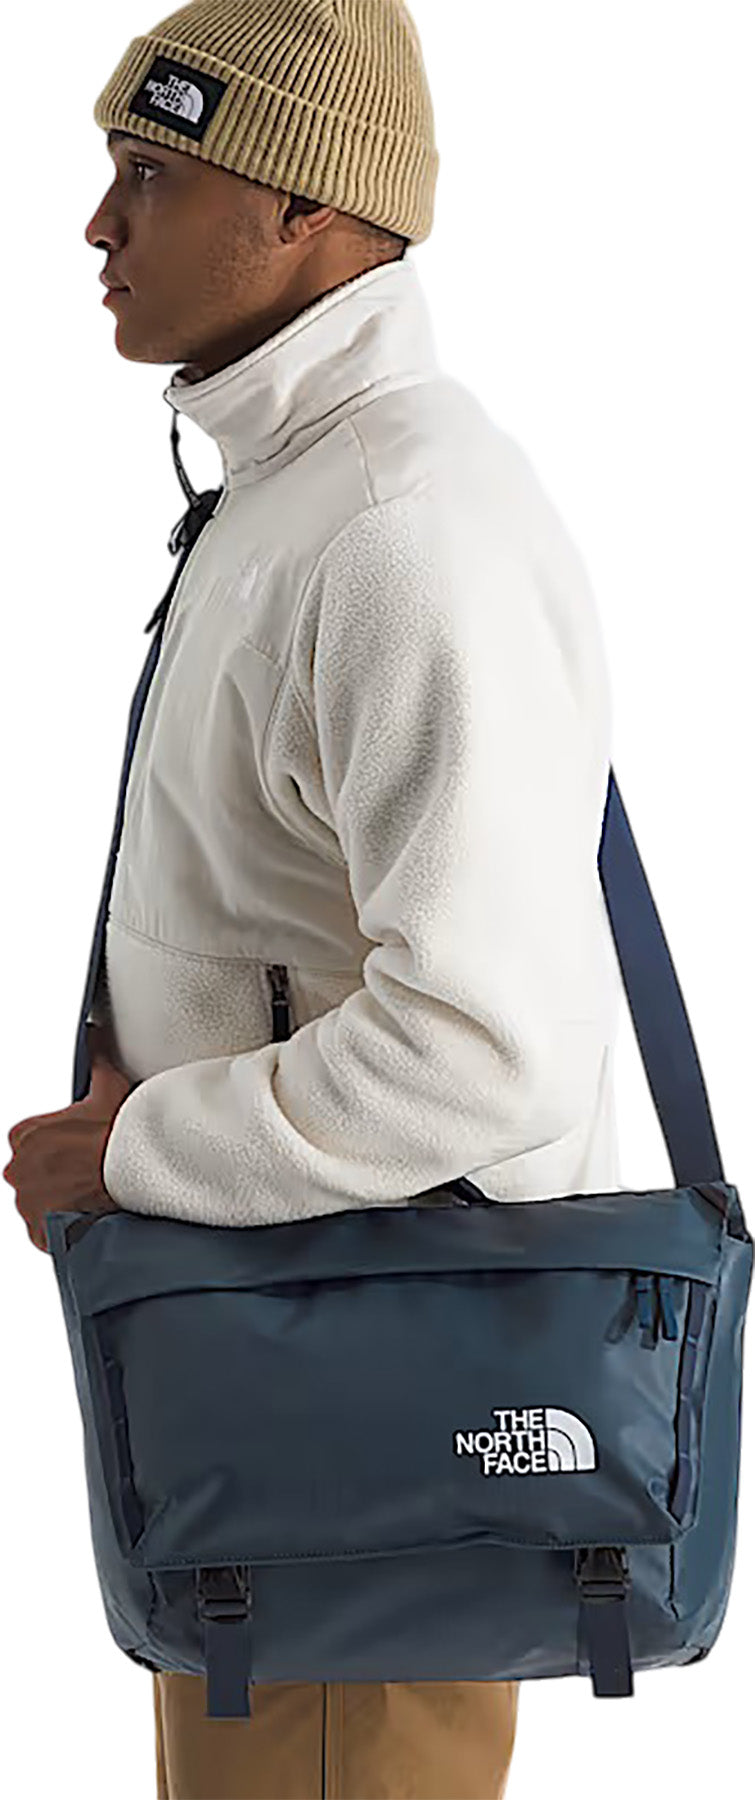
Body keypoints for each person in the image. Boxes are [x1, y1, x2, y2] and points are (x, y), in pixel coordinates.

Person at [8, 0, 623, 1794]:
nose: (98, 226)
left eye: (150, 174)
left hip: (364, 1428)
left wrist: (139, 1152)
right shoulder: (297, 494)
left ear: (304, 207)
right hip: (281, 1389)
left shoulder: (399, 529)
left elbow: (483, 1047)